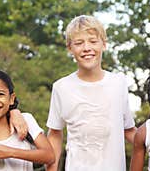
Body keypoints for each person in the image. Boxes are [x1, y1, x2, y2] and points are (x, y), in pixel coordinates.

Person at [46, 15, 136, 170]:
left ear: (104, 44)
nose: (87, 48)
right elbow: (55, 134)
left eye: (93, 41)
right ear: (70, 48)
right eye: (79, 43)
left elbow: (129, 131)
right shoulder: (61, 87)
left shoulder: (118, 83)